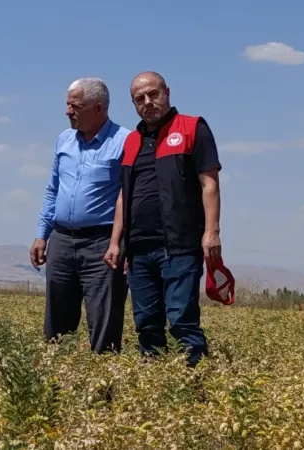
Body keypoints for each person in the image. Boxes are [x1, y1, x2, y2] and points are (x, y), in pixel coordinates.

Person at [104, 71, 222, 368]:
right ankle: (154, 382)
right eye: (139, 99)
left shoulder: (193, 128)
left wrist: (211, 232)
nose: (147, 102)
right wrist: (116, 242)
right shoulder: (132, 141)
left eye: (153, 94)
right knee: (146, 323)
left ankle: (194, 381)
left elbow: (209, 184)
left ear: (167, 92)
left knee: (181, 319)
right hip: (139, 249)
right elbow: (124, 195)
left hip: (180, 246)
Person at [30, 77, 130, 354]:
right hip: (61, 241)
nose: (68, 111)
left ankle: (103, 379)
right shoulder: (64, 140)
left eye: (75, 106)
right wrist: (41, 234)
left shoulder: (125, 141)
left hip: (102, 244)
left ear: (98, 108)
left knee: (104, 324)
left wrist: (121, 243)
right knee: (56, 327)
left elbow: (128, 197)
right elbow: (52, 189)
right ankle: (57, 377)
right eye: (68, 104)